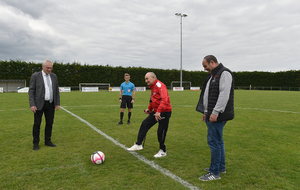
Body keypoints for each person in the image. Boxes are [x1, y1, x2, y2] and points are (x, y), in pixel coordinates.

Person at [196, 55, 234, 181]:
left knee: (214, 142)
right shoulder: (213, 75)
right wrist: (206, 111)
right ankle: (220, 167)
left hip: (217, 115)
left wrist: (215, 112)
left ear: (212, 62)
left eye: (205, 66)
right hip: (211, 113)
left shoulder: (224, 73)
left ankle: (214, 172)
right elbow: (209, 95)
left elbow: (224, 94)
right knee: (218, 141)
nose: (204, 69)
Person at [127, 72, 172, 158]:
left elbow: (164, 99)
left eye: (147, 79)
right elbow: (152, 99)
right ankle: (139, 144)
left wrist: (158, 111)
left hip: (164, 111)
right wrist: (149, 109)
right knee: (145, 124)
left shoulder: (160, 85)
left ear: (153, 77)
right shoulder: (153, 87)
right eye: (145, 79)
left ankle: (163, 150)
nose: (146, 81)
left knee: (161, 131)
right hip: (156, 112)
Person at [29, 59, 60, 151]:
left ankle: (48, 141)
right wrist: (32, 104)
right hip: (38, 104)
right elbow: (31, 91)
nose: (49, 70)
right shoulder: (35, 76)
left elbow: (56, 91)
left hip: (50, 104)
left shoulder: (54, 76)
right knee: (37, 124)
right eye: (47, 68)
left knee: (49, 123)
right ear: (42, 67)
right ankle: (35, 143)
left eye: (51, 68)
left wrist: (57, 103)